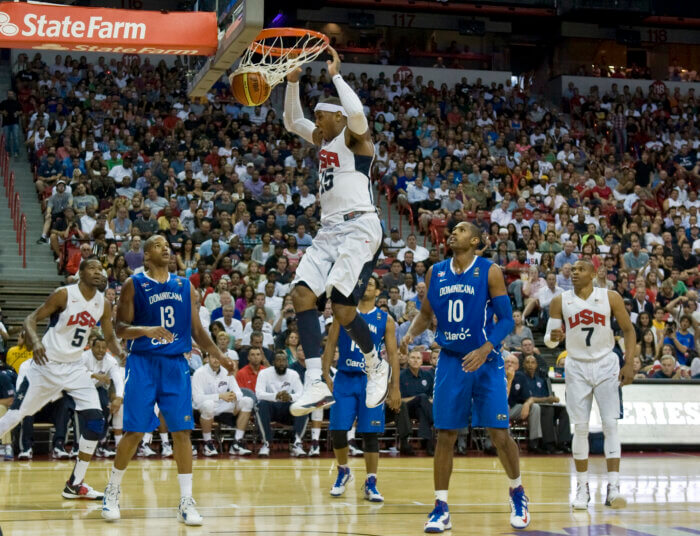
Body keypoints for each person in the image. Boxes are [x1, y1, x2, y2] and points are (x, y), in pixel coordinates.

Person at [400, 222, 530, 532]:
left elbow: (506, 321)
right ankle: (441, 507)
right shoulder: (436, 272)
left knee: (499, 434)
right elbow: (427, 313)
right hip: (450, 362)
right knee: (445, 435)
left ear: (474, 240)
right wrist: (410, 334)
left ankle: (518, 492)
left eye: (460, 229)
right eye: (452, 229)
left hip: (486, 361)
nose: (452, 232)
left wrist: (486, 349)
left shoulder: (490, 271)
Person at [283, 48, 389, 417]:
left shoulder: (355, 140)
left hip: (360, 224)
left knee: (342, 306)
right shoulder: (326, 143)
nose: (315, 119)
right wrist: (292, 83)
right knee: (301, 295)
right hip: (329, 230)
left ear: (337, 117)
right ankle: (315, 381)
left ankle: (376, 363)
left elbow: (357, 114)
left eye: (321, 115)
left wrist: (337, 76)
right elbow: (291, 121)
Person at [101, 235, 235, 525]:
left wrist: (219, 354)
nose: (166, 249)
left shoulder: (184, 286)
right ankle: (112, 490)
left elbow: (198, 331)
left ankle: (186, 501)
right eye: (159, 245)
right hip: (143, 363)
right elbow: (120, 328)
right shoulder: (133, 284)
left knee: (182, 431)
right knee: (134, 432)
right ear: (146, 256)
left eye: (168, 246)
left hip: (176, 365)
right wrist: (146, 330)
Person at [0, 259, 124, 500]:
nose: (99, 272)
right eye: (93, 268)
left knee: (96, 423)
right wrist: (36, 342)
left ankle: (75, 484)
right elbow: (30, 319)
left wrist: (123, 355)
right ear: (80, 272)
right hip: (45, 366)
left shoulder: (104, 304)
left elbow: (109, 337)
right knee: (16, 415)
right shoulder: (64, 294)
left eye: (101, 269)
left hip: (75, 368)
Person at [545, 259, 636, 511]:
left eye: (580, 269)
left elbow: (628, 330)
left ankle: (614, 487)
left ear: (593, 274)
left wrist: (629, 363)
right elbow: (550, 342)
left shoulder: (610, 297)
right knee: (581, 427)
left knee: (610, 425)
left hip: (606, 363)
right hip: (576, 365)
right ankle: (582, 487)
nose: (574, 273)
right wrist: (553, 338)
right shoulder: (560, 301)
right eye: (572, 269)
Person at [322, 276, 401, 502]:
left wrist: (394, 387)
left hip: (372, 379)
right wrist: (325, 372)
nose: (367, 285)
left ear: (378, 292)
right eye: (365, 283)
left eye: (371, 284)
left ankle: (371, 482)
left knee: (369, 434)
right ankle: (343, 470)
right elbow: (330, 343)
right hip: (345, 378)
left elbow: (393, 354)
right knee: (337, 430)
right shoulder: (344, 313)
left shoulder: (385, 319)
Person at [192, 353, 254, 456]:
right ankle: (208, 443)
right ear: (207, 358)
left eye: (218, 358)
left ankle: (236, 444)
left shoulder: (226, 372)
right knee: (209, 405)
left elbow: (239, 393)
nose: (216, 360)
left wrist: (234, 397)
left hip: (223, 405)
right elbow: (197, 398)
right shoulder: (199, 373)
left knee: (247, 401)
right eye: (213, 357)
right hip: (202, 408)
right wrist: (220, 396)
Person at [255, 350, 307, 457]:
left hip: (287, 409)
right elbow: (258, 394)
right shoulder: (264, 373)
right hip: (271, 408)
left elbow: (301, 393)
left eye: (284, 360)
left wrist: (290, 396)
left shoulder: (293, 374)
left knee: (302, 406)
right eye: (278, 360)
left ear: (287, 362)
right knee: (261, 405)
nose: (281, 363)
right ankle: (266, 443)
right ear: (273, 362)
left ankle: (297, 443)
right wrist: (276, 396)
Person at [81, 336, 124, 458]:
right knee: (88, 413)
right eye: (98, 347)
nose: (101, 350)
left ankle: (101, 443)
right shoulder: (84, 357)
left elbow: (118, 379)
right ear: (91, 347)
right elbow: (77, 371)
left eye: (104, 348)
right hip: (81, 388)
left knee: (106, 409)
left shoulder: (110, 360)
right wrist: (94, 375)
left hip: (98, 389)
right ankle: (80, 444)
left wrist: (119, 398)